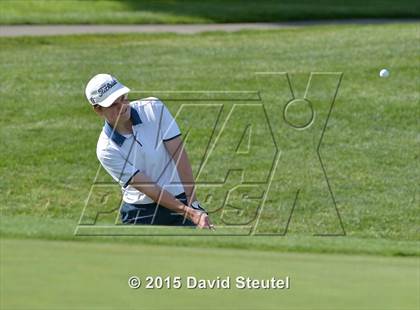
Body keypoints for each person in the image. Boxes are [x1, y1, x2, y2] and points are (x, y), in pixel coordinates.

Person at [85, 73, 213, 229]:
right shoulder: (106, 149)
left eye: (123, 98)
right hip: (141, 213)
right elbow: (148, 187)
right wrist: (190, 213)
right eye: (113, 104)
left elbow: (179, 155)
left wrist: (193, 203)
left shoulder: (154, 108)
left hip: (180, 198)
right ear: (98, 110)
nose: (123, 106)